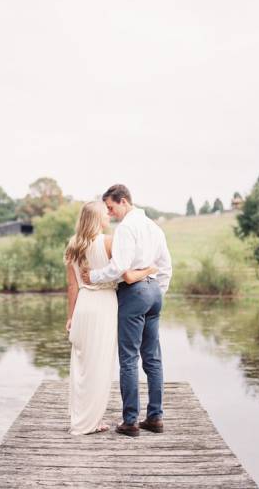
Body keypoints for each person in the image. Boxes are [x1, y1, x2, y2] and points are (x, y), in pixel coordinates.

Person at [81, 184, 172, 437]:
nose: (109, 213)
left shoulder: (126, 228)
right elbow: (166, 266)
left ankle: (130, 421)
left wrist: (93, 277)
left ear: (123, 201)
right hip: (154, 293)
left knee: (129, 359)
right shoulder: (154, 227)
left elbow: (118, 268)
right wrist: (157, 291)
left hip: (134, 294)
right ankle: (155, 418)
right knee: (153, 358)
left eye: (110, 207)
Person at [65, 200, 157, 435]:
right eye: (104, 214)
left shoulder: (72, 245)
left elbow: (72, 286)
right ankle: (92, 421)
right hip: (104, 305)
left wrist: (70, 316)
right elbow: (125, 274)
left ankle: (80, 419)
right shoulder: (108, 241)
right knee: (101, 366)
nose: (108, 216)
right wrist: (149, 270)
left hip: (83, 306)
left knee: (82, 366)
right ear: (97, 219)